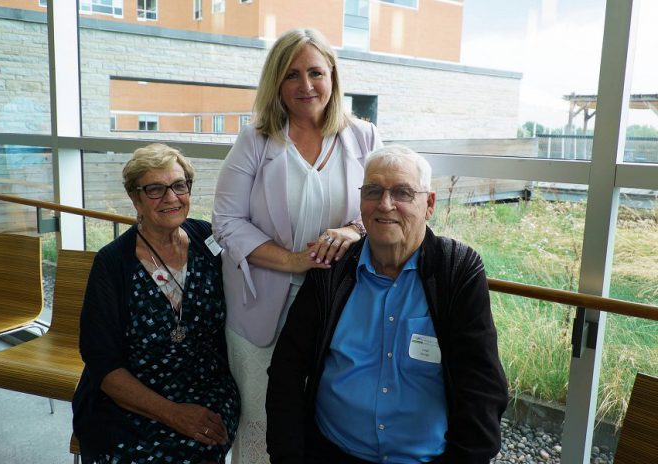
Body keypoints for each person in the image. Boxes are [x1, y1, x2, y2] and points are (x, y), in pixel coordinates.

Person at [266, 145, 509, 464]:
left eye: (403, 193)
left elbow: (482, 388)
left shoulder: (456, 271)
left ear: (429, 204)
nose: (385, 204)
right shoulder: (333, 269)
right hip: (331, 450)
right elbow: (288, 367)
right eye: (373, 190)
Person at [212, 28, 382, 463]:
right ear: (277, 83)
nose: (306, 86)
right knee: (262, 423)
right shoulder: (255, 139)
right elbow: (226, 221)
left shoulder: (363, 138)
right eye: (292, 75)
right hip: (261, 307)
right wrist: (290, 261)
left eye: (315, 72)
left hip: (336, 305)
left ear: (333, 77)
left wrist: (353, 231)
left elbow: (385, 206)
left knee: (326, 417)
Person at [73, 143, 240, 464]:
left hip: (206, 386)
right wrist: (174, 414)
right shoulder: (112, 263)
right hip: (130, 395)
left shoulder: (208, 240)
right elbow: (102, 363)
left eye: (179, 185)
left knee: (198, 447)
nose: (171, 198)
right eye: (155, 189)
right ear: (135, 198)